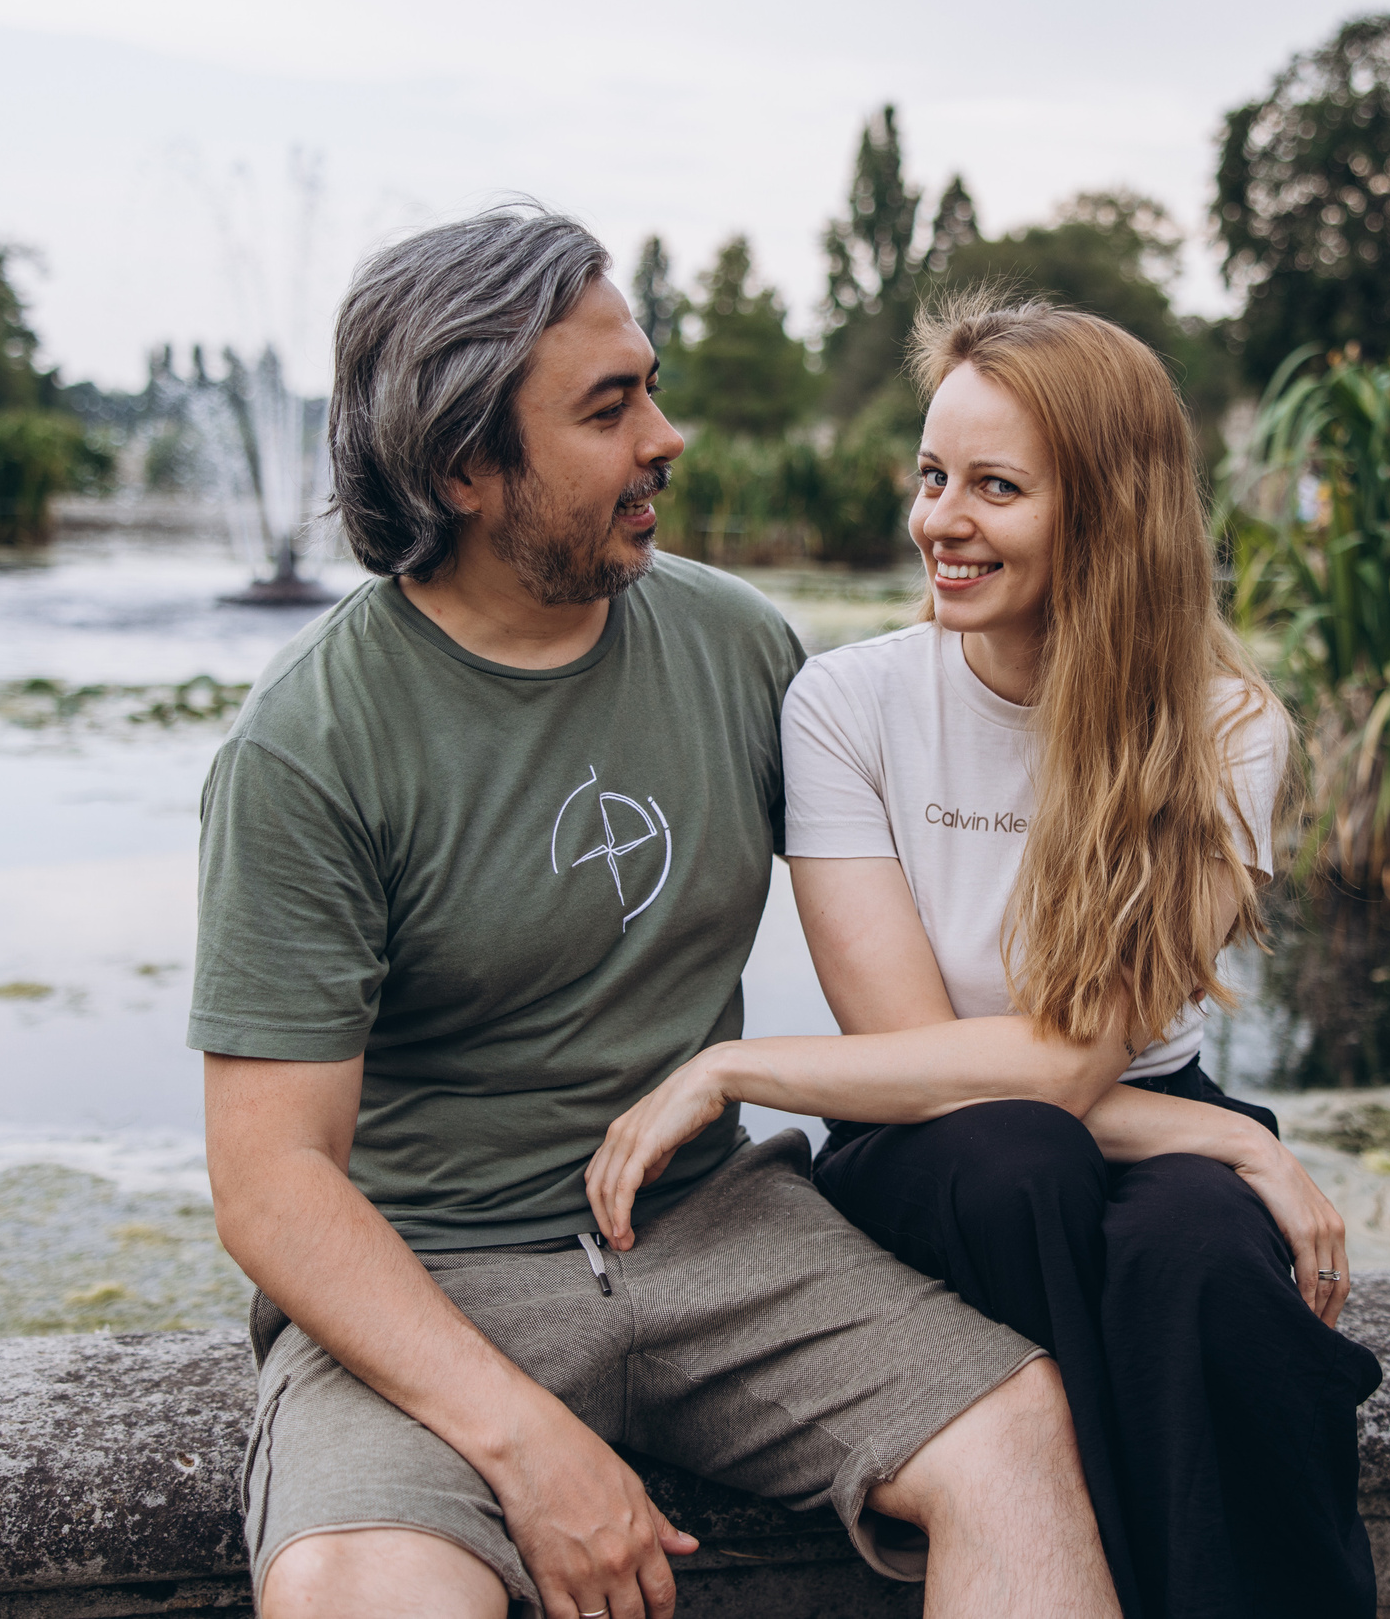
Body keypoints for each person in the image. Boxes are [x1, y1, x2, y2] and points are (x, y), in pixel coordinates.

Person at [194, 210, 1121, 1619]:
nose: (666, 438)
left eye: (655, 388)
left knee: (1015, 1436)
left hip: (717, 1230)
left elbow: (938, 1021)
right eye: (612, 406)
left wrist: (1217, 1142)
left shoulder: (743, 647)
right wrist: (521, 1443)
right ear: (463, 461)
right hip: (435, 1275)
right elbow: (273, 1184)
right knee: (355, 1592)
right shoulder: (307, 746)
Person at [585, 298, 1385, 1619]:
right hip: (937, 1143)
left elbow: (1070, 1067)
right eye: (932, 474)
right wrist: (1242, 1144)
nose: (939, 521)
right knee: (1020, 1162)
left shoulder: (1226, 726)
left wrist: (1215, 1154)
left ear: (1112, 513)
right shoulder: (848, 705)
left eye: (996, 488)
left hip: (1123, 1113)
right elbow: (935, 1071)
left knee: (1201, 1255)